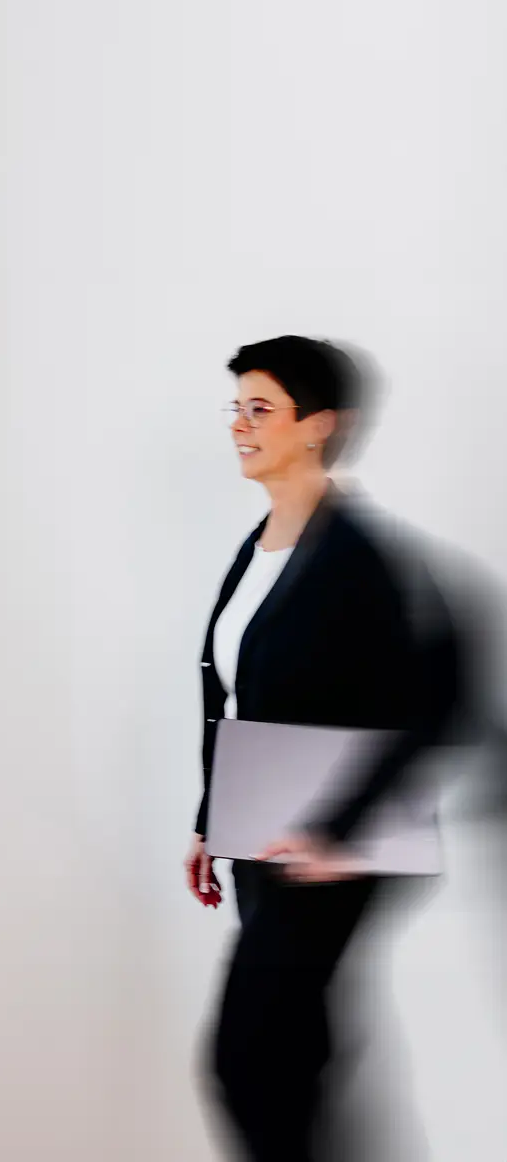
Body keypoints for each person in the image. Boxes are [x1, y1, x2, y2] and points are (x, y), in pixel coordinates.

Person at [183, 335, 463, 1162]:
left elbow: (437, 700)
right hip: (261, 841)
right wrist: (208, 820)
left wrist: (338, 831)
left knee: (249, 1064)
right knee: (295, 1060)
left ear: (318, 425)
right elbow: (234, 697)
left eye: (260, 408)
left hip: (324, 855)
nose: (239, 424)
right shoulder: (261, 546)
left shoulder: (360, 557)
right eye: (236, 408)